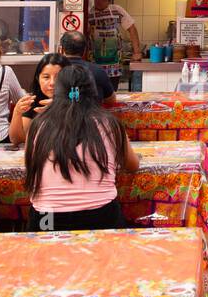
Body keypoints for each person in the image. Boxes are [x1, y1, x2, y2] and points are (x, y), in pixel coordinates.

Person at [24, 64, 139, 232]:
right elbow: (133, 165)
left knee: (46, 253)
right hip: (101, 215)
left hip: (47, 218)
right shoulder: (110, 124)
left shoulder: (38, 125)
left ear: (58, 93)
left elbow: (30, 167)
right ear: (93, 92)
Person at [9, 53, 68, 145]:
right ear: (38, 78)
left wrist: (57, 109)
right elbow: (18, 140)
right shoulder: (33, 101)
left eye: (58, 77)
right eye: (46, 77)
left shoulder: (76, 102)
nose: (52, 82)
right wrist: (17, 113)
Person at [89, 0, 140, 85]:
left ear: (109, 2)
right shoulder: (89, 14)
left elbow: (132, 28)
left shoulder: (116, 10)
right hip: (95, 62)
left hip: (114, 62)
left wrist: (136, 52)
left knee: (112, 92)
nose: (100, 1)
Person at [59, 31, 115, 101]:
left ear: (61, 50)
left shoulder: (55, 71)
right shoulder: (98, 71)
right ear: (85, 50)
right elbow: (111, 100)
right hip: (93, 111)